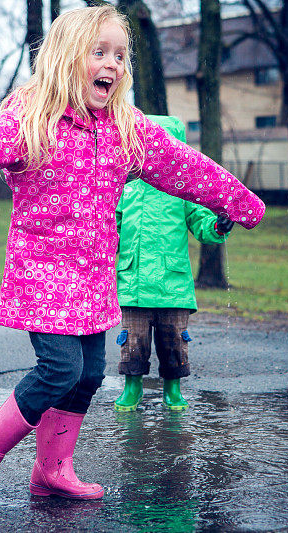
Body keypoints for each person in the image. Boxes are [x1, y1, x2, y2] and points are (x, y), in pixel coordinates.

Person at [0, 5, 264, 510]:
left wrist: (238, 202)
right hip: (43, 272)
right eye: (99, 52)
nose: (113, 64)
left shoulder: (127, 130)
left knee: (91, 373)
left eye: (120, 56)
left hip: (94, 277)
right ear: (64, 58)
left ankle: (52, 470)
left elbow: (184, 166)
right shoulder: (30, 121)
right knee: (58, 369)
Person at [113, 115, 234, 412]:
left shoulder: (184, 191)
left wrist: (218, 225)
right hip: (134, 280)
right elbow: (110, 226)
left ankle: (173, 388)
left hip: (173, 282)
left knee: (174, 341)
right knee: (133, 340)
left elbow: (201, 222)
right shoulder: (126, 188)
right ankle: (132, 386)